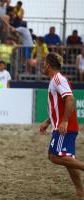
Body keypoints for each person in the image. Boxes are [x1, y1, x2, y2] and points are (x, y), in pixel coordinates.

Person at [39, 52, 83, 197]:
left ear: (48, 65)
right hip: (62, 125)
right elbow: (58, 106)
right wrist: (47, 121)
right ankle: (80, 192)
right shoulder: (55, 80)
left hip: (65, 127)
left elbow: (70, 99)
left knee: (55, 156)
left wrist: (63, 121)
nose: (43, 65)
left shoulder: (58, 79)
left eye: (44, 62)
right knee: (67, 160)